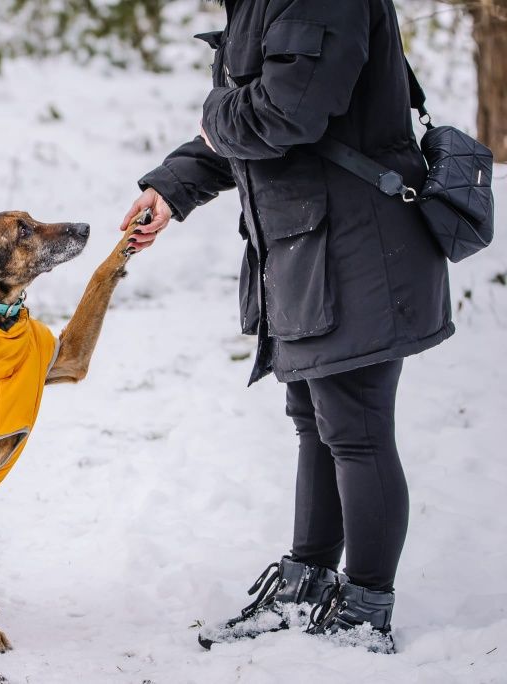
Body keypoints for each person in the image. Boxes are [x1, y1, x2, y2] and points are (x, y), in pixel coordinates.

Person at [119, 0, 453, 654]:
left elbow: (285, 112)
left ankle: (365, 609)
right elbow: (249, 126)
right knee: (315, 418)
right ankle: (305, 584)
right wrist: (173, 186)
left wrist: (214, 118)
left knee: (354, 425)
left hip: (359, 242)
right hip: (312, 243)